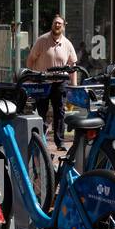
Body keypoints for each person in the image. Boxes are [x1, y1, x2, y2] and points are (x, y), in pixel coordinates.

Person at [27, 14, 79, 148]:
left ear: (63, 26)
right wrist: (32, 77)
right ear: (52, 24)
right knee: (41, 111)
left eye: (59, 24)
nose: (57, 25)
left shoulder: (67, 44)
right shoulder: (42, 40)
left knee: (59, 112)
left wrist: (73, 86)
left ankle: (59, 141)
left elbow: (73, 66)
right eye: (55, 23)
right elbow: (31, 59)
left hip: (60, 82)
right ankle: (40, 140)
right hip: (43, 82)